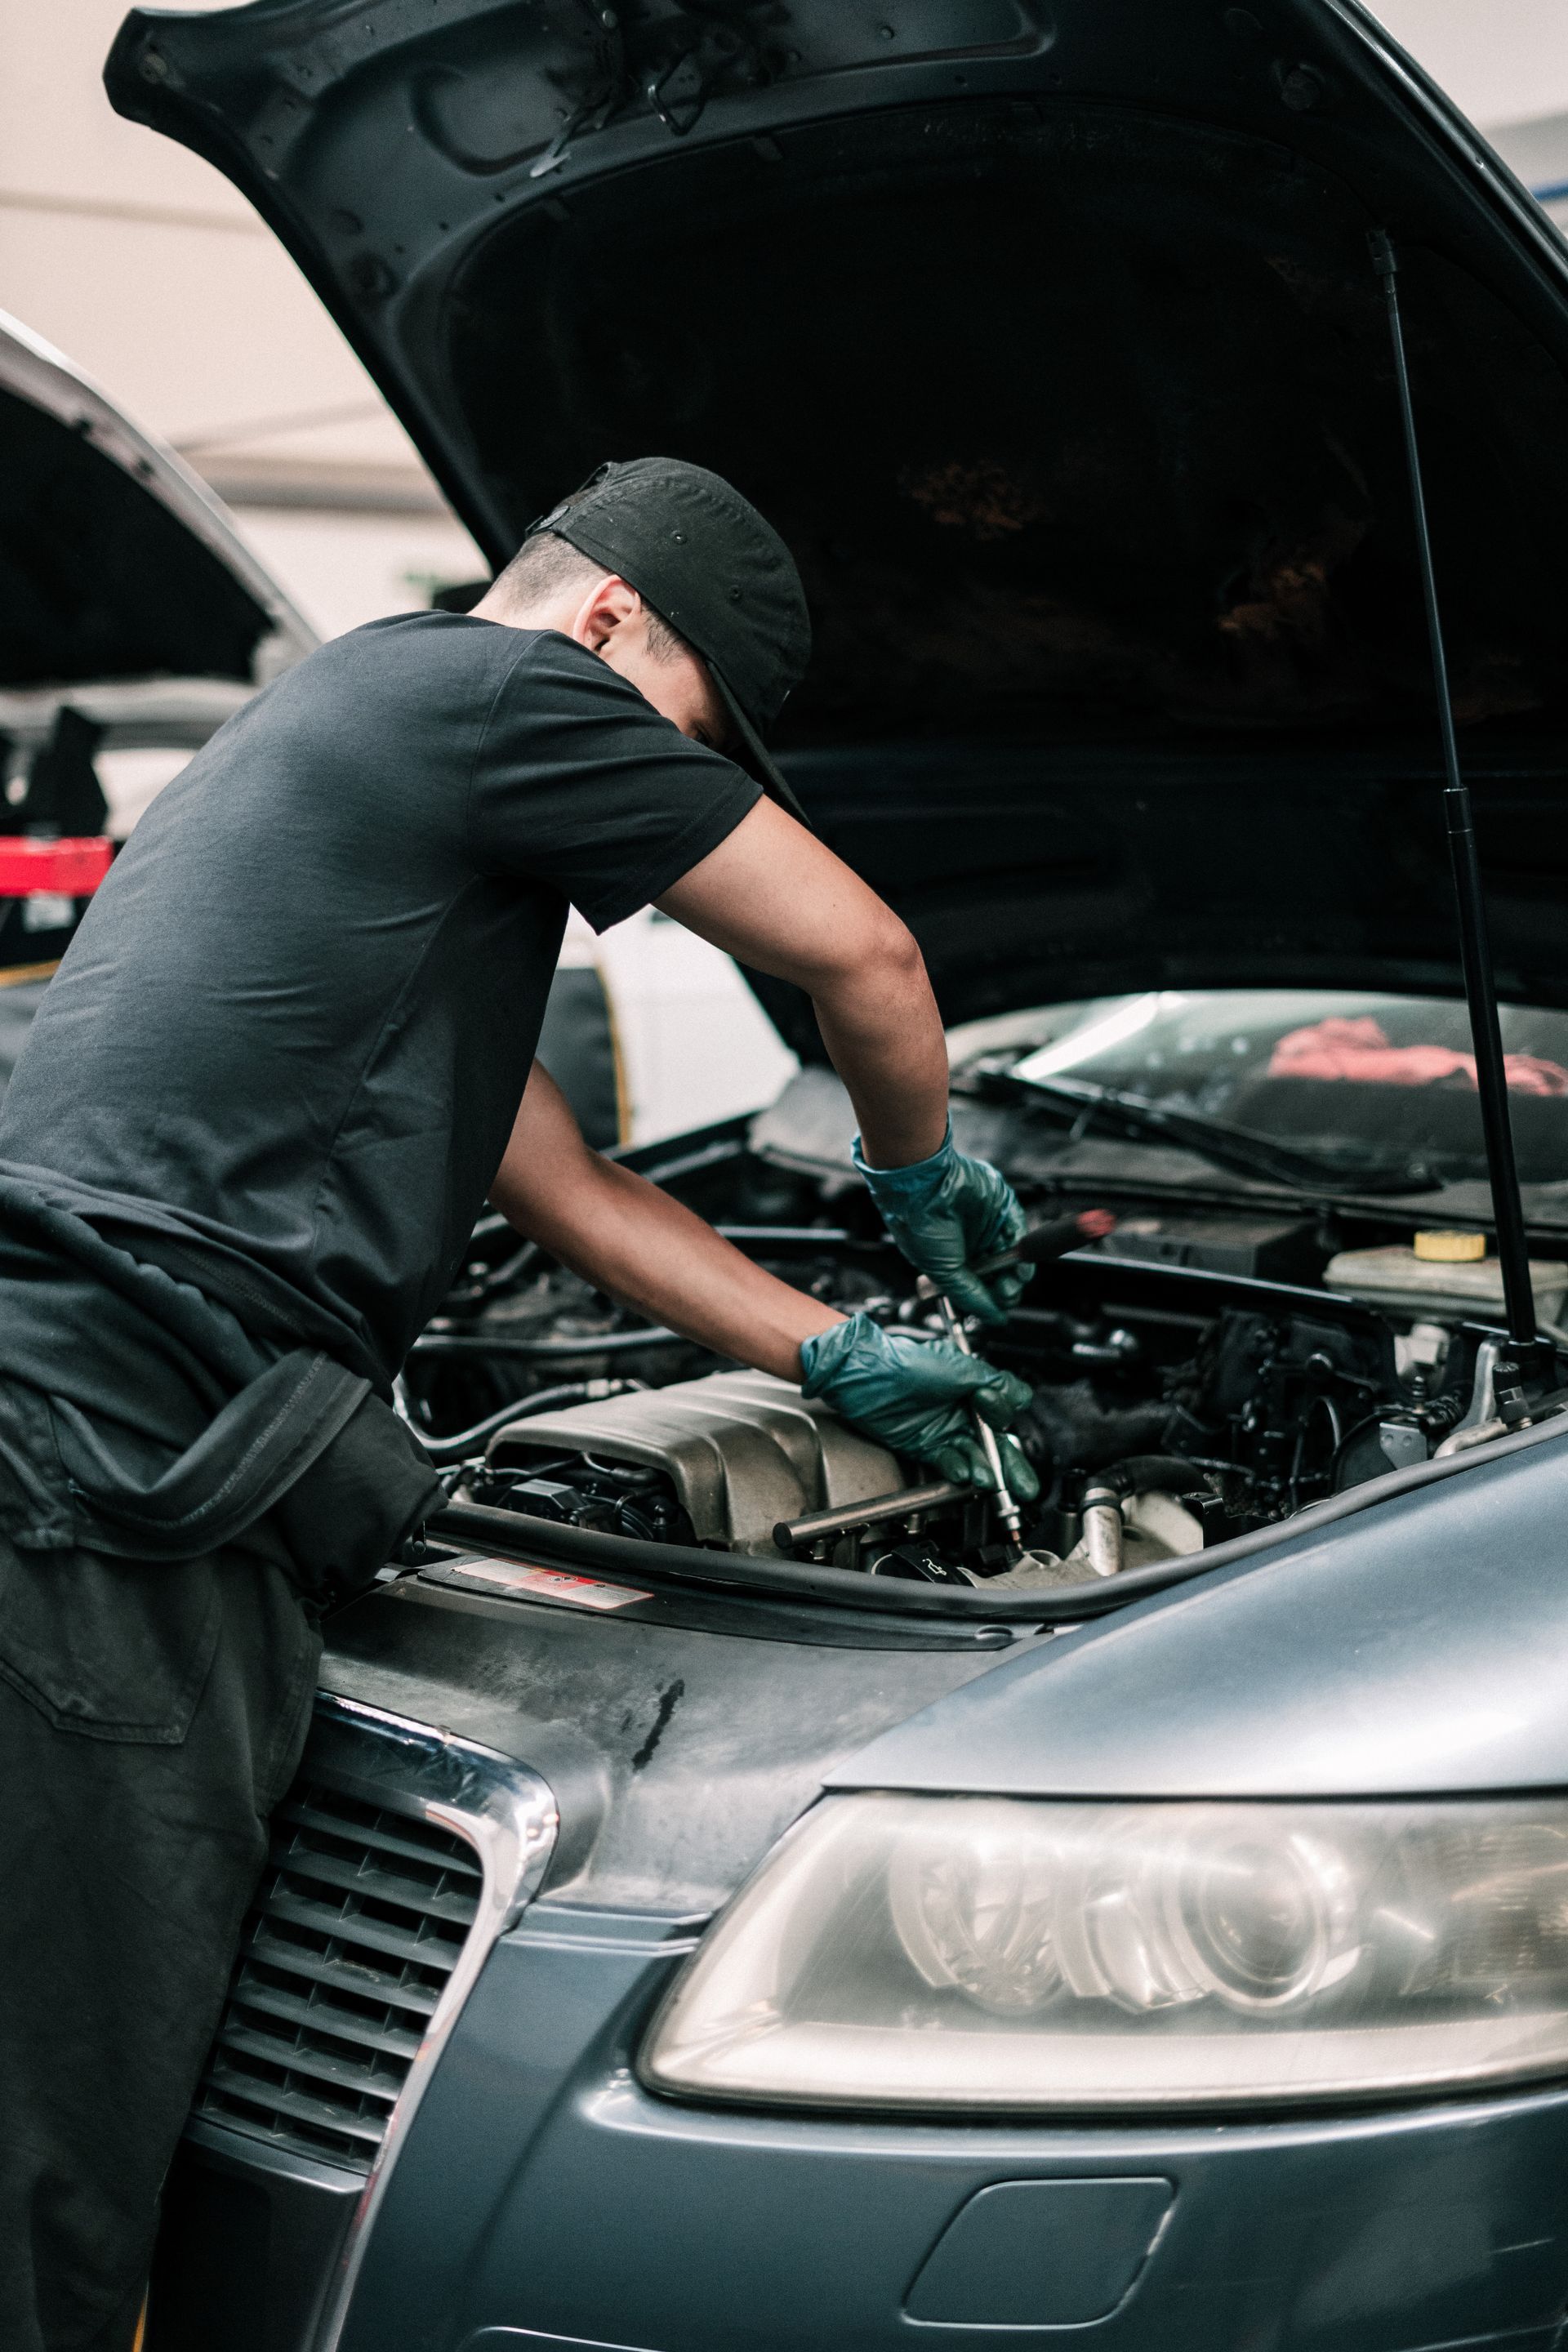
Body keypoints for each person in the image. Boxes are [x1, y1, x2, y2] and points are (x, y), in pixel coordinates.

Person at [0, 457, 1035, 2351]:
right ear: (609, 622)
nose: (666, 816)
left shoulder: (337, 734)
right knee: (56, 2146)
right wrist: (916, 1171)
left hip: (96, 1447)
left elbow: (559, 1185)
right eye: (688, 744)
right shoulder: (502, 691)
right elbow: (864, 954)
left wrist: (827, 1348)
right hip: (99, 1475)